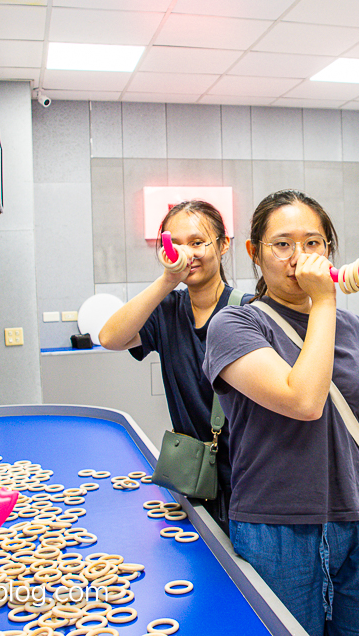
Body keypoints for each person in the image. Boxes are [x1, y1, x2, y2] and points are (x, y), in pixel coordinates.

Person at [202, 189, 359, 636]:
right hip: (277, 529)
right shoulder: (235, 325)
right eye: (283, 244)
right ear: (254, 253)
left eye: (313, 243)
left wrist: (357, 453)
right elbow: (303, 400)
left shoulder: (350, 326)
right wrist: (325, 301)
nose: (300, 258)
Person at [98, 200, 251, 532]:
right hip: (193, 478)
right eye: (174, 243)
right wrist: (167, 280)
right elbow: (110, 337)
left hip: (249, 480)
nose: (186, 253)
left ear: (223, 245)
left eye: (197, 242)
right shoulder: (167, 309)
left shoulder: (247, 311)